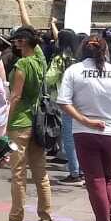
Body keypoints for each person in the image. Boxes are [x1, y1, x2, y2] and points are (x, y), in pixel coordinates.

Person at [58, 33, 111, 221]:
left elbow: (64, 102)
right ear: (105, 51)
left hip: (85, 133)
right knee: (108, 178)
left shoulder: (75, 71)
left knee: (96, 181)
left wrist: (84, 120)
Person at [0, 24, 52, 221]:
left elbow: (15, 96)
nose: (14, 43)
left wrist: (5, 124)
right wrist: (21, 4)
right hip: (38, 121)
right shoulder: (40, 60)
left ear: (23, 42)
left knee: (18, 175)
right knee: (41, 175)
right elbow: (32, 30)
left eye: (17, 40)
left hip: (20, 122)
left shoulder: (22, 64)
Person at [46, 29, 83, 185]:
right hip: (81, 102)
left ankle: (74, 172)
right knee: (80, 137)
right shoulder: (80, 58)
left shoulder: (60, 59)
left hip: (65, 101)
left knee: (68, 138)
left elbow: (49, 78)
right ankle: (81, 168)